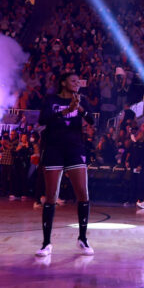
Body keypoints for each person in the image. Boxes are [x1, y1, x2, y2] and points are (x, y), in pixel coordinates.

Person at [37, 72, 95, 257]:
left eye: (79, 81)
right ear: (63, 82)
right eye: (73, 80)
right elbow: (43, 120)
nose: (77, 83)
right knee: (51, 196)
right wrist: (66, 110)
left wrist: (80, 109)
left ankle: (83, 239)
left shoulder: (82, 100)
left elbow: (91, 120)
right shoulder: (51, 99)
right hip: (54, 148)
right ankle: (46, 243)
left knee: (83, 194)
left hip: (75, 148)